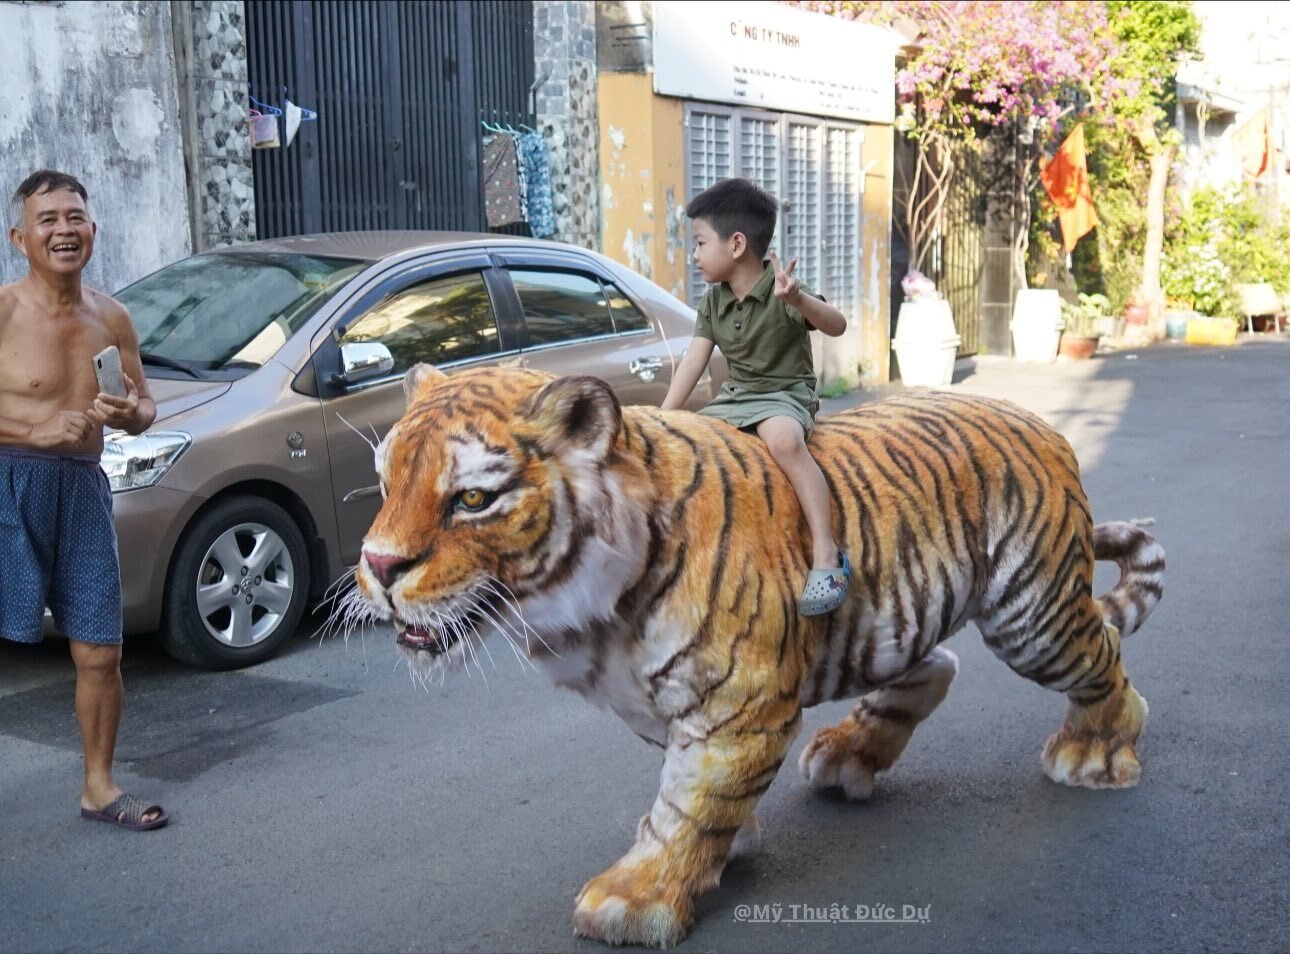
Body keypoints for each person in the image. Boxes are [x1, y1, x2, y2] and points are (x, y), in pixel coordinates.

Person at [1, 170, 167, 830]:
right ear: (20, 236)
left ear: (93, 230)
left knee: (100, 648)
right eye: (48, 219)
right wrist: (34, 429)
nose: (64, 229)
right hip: (8, 482)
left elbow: (145, 401)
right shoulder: (4, 311)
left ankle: (99, 786)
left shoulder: (112, 315)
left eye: (75, 216)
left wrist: (132, 415)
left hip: (82, 489)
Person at [661, 177, 852, 616]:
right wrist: (665, 417)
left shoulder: (783, 290)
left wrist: (799, 298)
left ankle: (827, 553)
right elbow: (694, 359)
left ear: (736, 245)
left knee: (784, 441)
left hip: (784, 394)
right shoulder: (714, 300)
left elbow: (836, 325)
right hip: (737, 395)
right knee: (687, 447)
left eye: (700, 243)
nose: (694, 256)